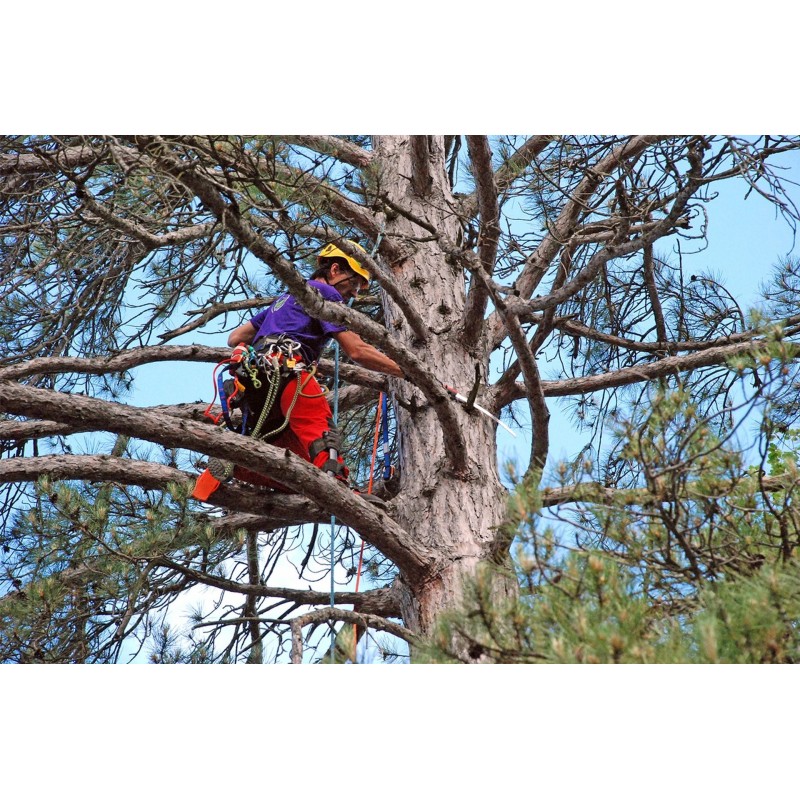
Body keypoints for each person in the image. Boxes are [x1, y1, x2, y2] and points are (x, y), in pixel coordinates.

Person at [192, 241, 402, 500]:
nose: (355, 294)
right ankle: (337, 485)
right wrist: (407, 371)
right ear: (335, 270)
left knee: (293, 460)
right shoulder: (324, 293)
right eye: (354, 283)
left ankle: (237, 466)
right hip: (288, 371)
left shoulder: (285, 299)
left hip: (257, 385)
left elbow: (235, 338)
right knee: (320, 431)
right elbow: (357, 350)